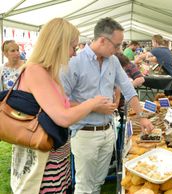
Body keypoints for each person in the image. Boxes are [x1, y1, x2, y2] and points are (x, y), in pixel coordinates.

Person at [10, 18, 106, 194]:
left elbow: (61, 105)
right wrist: (92, 104)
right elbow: (63, 117)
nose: (74, 53)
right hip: (42, 161)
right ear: (58, 44)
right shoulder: (35, 71)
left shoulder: (47, 72)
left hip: (53, 156)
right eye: (73, 47)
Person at [60, 17, 153, 194]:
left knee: (98, 183)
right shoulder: (74, 63)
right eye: (117, 45)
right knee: (84, 186)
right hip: (85, 133)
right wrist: (93, 106)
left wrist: (142, 118)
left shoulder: (113, 61)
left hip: (108, 131)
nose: (119, 49)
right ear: (102, 40)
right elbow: (61, 101)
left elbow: (128, 89)